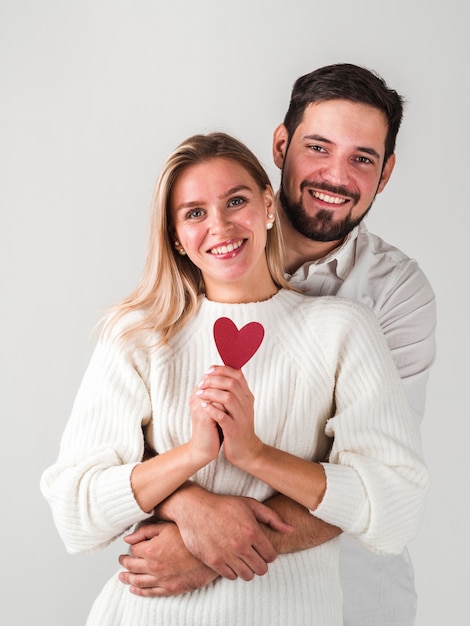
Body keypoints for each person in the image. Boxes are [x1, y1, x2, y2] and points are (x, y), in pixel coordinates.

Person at [40, 132, 429, 626]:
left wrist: (255, 455)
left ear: (268, 205)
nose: (220, 225)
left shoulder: (342, 330)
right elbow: (76, 513)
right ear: (176, 236)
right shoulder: (137, 336)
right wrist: (194, 458)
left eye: (236, 201)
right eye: (195, 213)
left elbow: (396, 506)